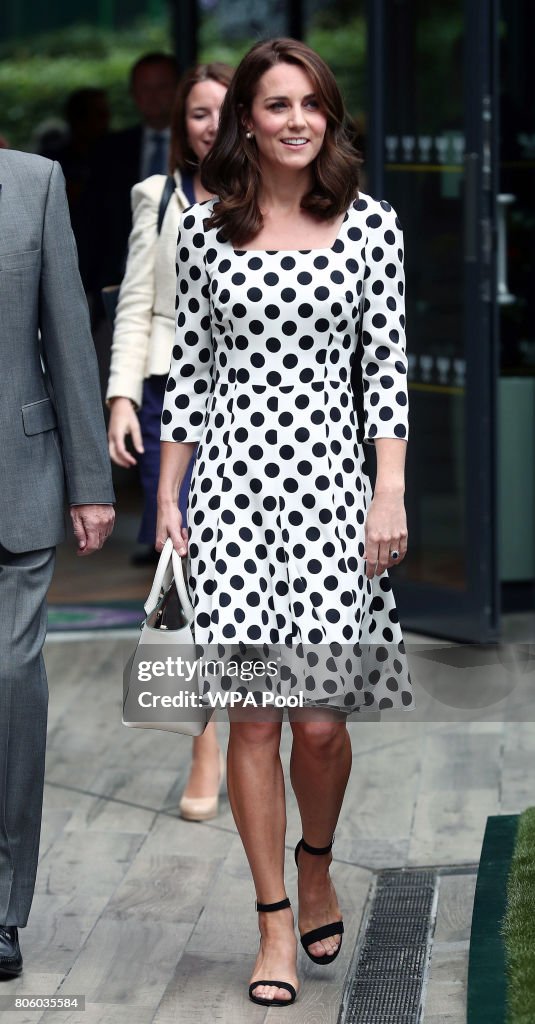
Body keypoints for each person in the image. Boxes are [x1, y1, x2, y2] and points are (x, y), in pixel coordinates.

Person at [156, 37, 413, 1007]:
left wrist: (386, 491)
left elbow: (386, 372)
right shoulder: (204, 229)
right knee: (252, 719)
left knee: (317, 724)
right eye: (276, 105)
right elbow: (189, 372)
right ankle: (270, 920)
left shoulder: (369, 225)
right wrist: (172, 498)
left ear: (328, 114)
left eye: (311, 103)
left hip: (326, 503)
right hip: (228, 503)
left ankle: (316, 859)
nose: (297, 120)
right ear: (246, 122)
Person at [106, 63, 233, 820]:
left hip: (247, 404)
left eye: (222, 111)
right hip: (165, 403)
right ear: (180, 127)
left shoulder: (269, 197)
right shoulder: (156, 200)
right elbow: (136, 303)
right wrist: (121, 396)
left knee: (244, 569)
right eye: (196, 115)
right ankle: (203, 740)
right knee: (184, 572)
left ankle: (252, 727)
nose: (209, 126)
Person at [0, 149, 115, 978]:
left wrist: (89, 479)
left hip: (20, 475)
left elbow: (67, 329)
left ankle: (3, 907)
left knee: (10, 679)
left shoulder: (33, 183)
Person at [83, 52, 179, 295]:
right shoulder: (108, 150)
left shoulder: (201, 144)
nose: (153, 96)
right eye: (145, 88)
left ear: (180, 89)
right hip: (121, 281)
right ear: (133, 94)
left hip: (187, 278)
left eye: (162, 87)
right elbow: (91, 223)